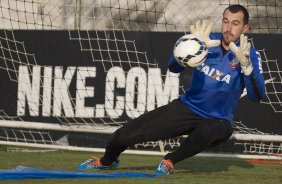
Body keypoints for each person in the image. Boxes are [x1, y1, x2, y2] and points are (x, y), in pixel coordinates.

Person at [77, 4, 265, 175]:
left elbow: (258, 96)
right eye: (225, 22)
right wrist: (194, 46)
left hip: (219, 120)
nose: (228, 28)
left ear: (245, 28)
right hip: (187, 108)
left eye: (235, 23)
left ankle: (170, 160)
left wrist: (247, 68)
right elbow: (173, 67)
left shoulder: (250, 54)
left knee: (208, 129)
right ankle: (106, 161)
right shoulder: (207, 40)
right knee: (122, 136)